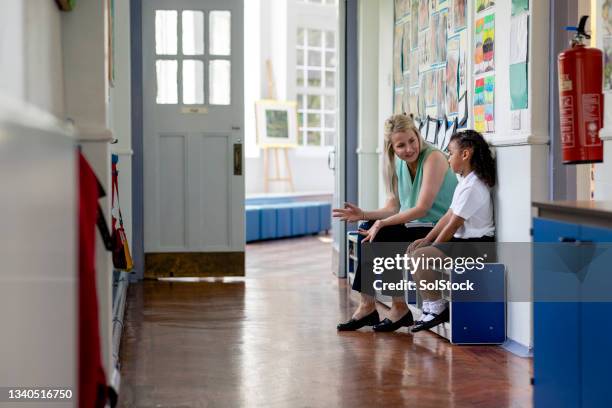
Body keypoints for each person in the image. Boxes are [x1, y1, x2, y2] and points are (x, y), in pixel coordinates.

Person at [334, 114, 458, 332]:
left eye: (412, 140)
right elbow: (393, 207)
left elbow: (422, 208)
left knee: (382, 233)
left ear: (418, 136)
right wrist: (364, 215)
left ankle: (394, 307)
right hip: (416, 226)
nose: (409, 148)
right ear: (392, 148)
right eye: (401, 145)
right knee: (367, 231)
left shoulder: (434, 158)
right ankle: (371, 306)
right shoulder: (398, 165)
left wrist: (382, 224)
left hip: (439, 228)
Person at [407, 130, 496, 332]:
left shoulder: (473, 186)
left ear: (465, 155)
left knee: (421, 257)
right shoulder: (464, 181)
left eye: (450, 153)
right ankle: (430, 307)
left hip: (478, 247)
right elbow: (447, 215)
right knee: (416, 252)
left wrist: (433, 248)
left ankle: (438, 308)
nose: (448, 158)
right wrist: (426, 239)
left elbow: (454, 224)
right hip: (464, 243)